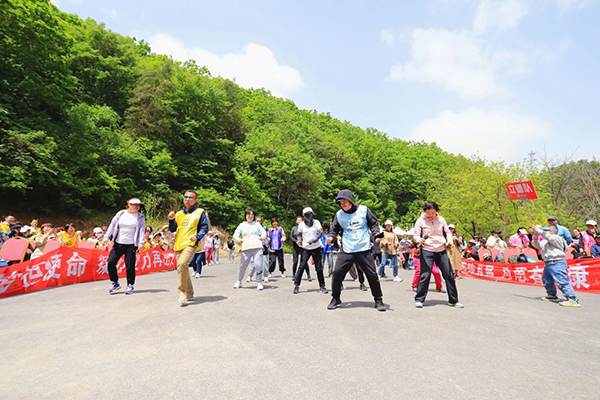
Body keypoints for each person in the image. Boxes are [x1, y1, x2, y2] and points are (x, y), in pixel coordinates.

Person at [326, 189, 385, 311]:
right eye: (340, 202)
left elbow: (374, 224)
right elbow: (334, 230)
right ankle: (335, 298)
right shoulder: (339, 215)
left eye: (344, 201)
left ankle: (378, 300)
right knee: (337, 273)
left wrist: (376, 233)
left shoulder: (363, 210)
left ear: (351, 200)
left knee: (372, 275)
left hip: (363, 248)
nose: (342, 204)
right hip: (347, 248)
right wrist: (331, 237)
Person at [413, 201, 463, 308]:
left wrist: (449, 241)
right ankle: (419, 299)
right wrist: (419, 240)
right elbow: (416, 235)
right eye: (428, 213)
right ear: (424, 211)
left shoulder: (441, 219)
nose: (431, 215)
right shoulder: (420, 221)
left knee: (449, 274)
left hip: (441, 249)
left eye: (433, 212)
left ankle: (453, 300)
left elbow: (448, 233)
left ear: (436, 211)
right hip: (427, 249)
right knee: (425, 275)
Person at [168, 190, 209, 305]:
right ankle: (190, 293)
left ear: (195, 200)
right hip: (178, 244)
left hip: (191, 243)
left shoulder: (200, 212)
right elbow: (173, 229)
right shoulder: (178, 214)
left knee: (182, 264)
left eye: (190, 197)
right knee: (183, 268)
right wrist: (171, 220)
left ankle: (182, 291)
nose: (187, 199)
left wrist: (197, 237)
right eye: (185, 197)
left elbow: (204, 227)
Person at [532, 224, 580, 307]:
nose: (543, 232)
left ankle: (572, 299)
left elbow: (547, 236)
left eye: (545, 231)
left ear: (551, 231)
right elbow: (538, 246)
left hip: (557, 262)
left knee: (561, 280)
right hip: (548, 262)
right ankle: (551, 294)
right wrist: (535, 238)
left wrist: (538, 229)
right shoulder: (545, 241)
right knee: (547, 280)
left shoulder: (556, 238)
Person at [105, 198, 146, 295]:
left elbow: (141, 230)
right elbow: (112, 225)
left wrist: (141, 243)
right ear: (129, 204)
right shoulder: (121, 214)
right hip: (118, 243)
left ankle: (130, 284)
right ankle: (115, 282)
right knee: (111, 263)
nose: (137, 207)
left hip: (131, 244)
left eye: (138, 205)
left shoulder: (140, 217)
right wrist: (107, 236)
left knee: (130, 265)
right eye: (134, 204)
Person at [293, 207, 328, 294]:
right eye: (307, 214)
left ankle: (322, 286)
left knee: (319, 267)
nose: (309, 215)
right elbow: (299, 234)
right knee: (302, 266)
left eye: (310, 213)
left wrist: (314, 240)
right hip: (306, 248)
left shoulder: (316, 222)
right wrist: (299, 240)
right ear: (304, 215)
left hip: (316, 247)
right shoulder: (301, 225)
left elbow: (320, 233)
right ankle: (296, 285)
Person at [233, 209, 266, 290]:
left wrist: (262, 237)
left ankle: (259, 282)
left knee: (258, 264)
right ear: (245, 216)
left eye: (252, 215)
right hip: (246, 247)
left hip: (257, 246)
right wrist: (238, 239)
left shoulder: (257, 224)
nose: (250, 216)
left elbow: (263, 232)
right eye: (248, 215)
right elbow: (235, 235)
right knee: (243, 265)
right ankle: (239, 281)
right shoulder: (242, 225)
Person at [290, 216, 311, 281]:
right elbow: (291, 236)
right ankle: (294, 275)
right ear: (296, 221)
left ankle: (308, 275)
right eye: (298, 220)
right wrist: (296, 241)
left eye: (300, 220)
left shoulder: (305, 228)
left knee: (304, 261)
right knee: (295, 262)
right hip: (295, 246)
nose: (299, 221)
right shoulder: (294, 228)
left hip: (303, 246)